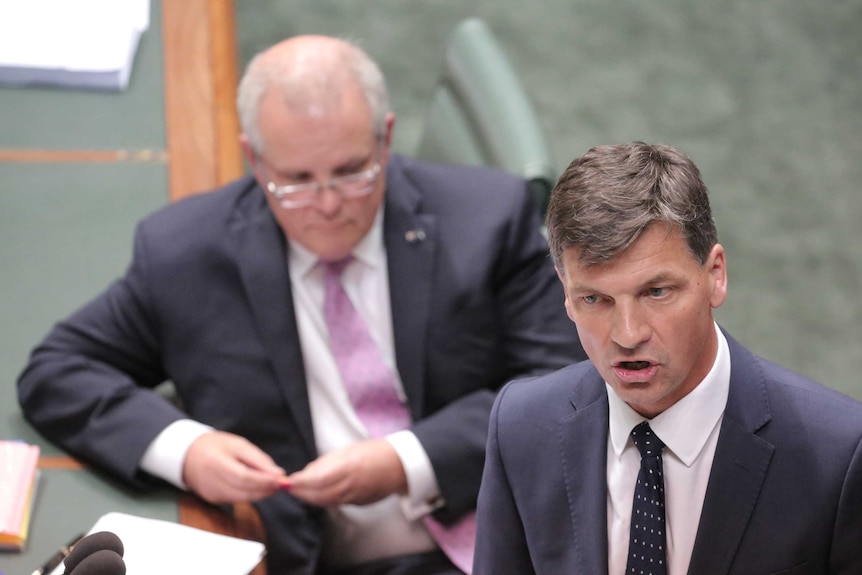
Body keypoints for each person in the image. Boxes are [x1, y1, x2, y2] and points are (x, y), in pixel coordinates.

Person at [16, 35, 584, 575]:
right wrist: (188, 450)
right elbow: (59, 370)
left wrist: (406, 460)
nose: (329, 204)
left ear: (385, 138)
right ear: (255, 161)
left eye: (351, 172)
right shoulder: (184, 254)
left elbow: (565, 383)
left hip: (499, 536)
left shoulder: (488, 218)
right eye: (297, 181)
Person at [473, 142, 862, 575]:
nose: (627, 334)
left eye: (656, 292)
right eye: (595, 299)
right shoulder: (521, 428)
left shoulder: (841, 456)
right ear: (565, 295)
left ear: (715, 275)